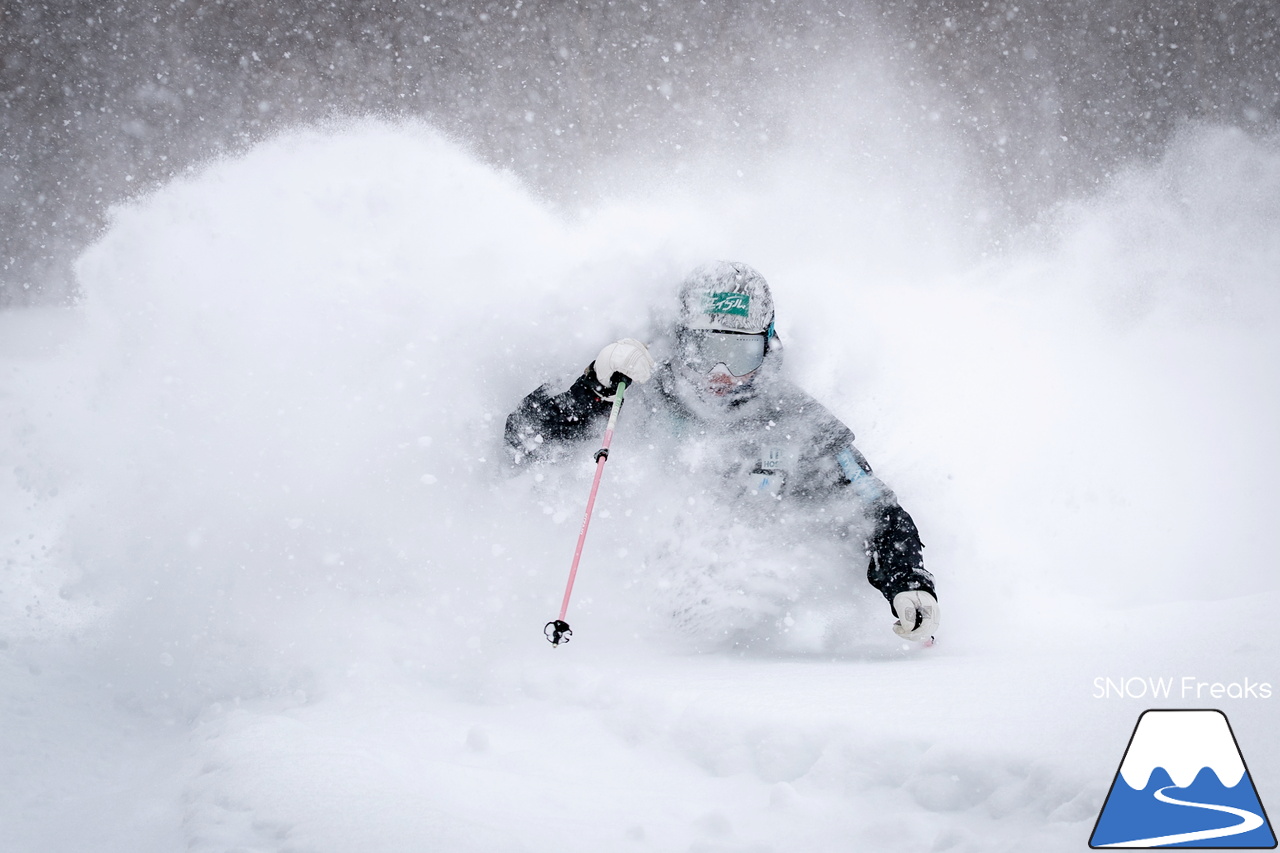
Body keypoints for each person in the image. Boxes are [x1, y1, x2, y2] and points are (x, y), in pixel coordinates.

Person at [504, 261, 938, 643]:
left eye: (740, 354)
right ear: (680, 341)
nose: (721, 374)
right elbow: (523, 441)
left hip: (725, 651)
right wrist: (593, 387)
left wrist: (907, 579)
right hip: (613, 627)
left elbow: (872, 506)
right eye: (705, 351)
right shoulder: (632, 392)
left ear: (768, 347)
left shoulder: (797, 423)